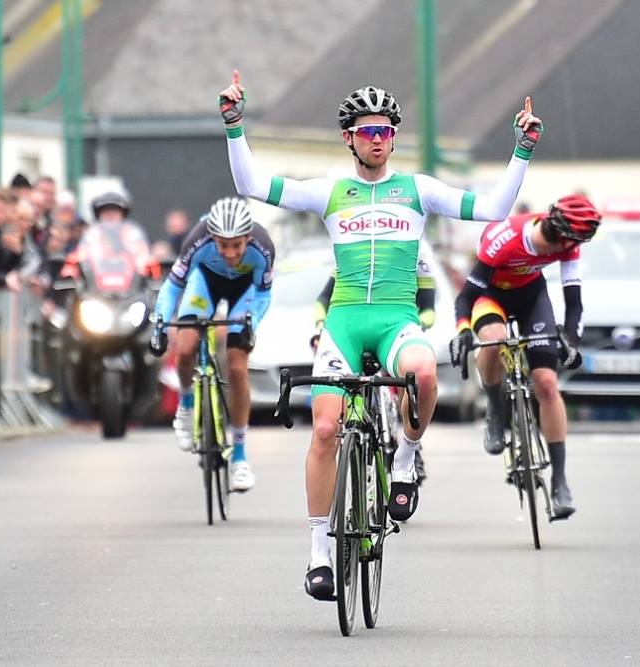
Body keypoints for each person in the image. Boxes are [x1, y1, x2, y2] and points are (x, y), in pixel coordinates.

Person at [219, 69, 542, 599]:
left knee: (422, 375)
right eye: (367, 131)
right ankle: (320, 554)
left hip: (396, 318)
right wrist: (234, 125)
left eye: (386, 131)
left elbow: (493, 210)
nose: (378, 139)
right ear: (348, 138)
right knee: (325, 431)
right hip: (344, 322)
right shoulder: (329, 192)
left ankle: (407, 461)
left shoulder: (418, 190)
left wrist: (522, 151)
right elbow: (251, 186)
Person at [448, 195, 599, 520]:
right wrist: (462, 332)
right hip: (489, 297)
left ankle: (560, 480)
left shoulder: (569, 242)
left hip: (531, 296)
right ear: (558, 232)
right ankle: (495, 408)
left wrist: (571, 340)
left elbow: (574, 304)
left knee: (546, 382)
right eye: (571, 242)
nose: (570, 249)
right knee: (493, 341)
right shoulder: (504, 240)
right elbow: (466, 297)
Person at [151, 197, 274, 492]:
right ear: (213, 238)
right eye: (223, 245)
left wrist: (250, 325)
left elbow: (263, 294)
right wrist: (159, 324)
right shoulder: (197, 240)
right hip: (204, 283)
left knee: (237, 366)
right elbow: (172, 286)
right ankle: (186, 402)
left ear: (248, 237)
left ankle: (240, 456)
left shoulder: (263, 246)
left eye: (237, 245)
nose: (231, 254)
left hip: (244, 293)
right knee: (184, 349)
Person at [311, 237, 439, 484]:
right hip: (355, 329)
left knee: (406, 377)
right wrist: (319, 328)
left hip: (399, 325)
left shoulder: (416, 251)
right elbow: (322, 301)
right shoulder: (356, 252)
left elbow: (428, 306)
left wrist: (417, 326)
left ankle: (406, 435)